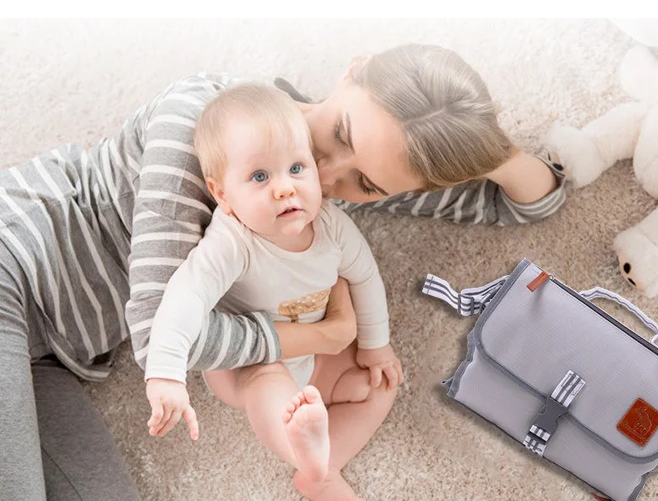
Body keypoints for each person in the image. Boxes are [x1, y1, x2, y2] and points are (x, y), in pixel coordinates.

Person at [0, 43, 565, 501]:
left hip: (64, 352)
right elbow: (161, 339)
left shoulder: (350, 177)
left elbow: (528, 202)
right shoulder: (200, 119)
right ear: (353, 69)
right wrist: (321, 337)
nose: (324, 172)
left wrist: (481, 147)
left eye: (367, 184)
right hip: (16, 262)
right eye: (341, 134)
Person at [143, 83, 403, 495]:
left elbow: (365, 276)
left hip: (314, 355)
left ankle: (323, 467)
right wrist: (165, 373)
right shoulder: (233, 241)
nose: (285, 188)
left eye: (297, 168)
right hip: (249, 364)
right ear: (222, 194)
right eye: (260, 176)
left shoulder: (332, 226)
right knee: (268, 385)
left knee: (380, 381)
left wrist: (375, 344)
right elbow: (185, 296)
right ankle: (301, 448)